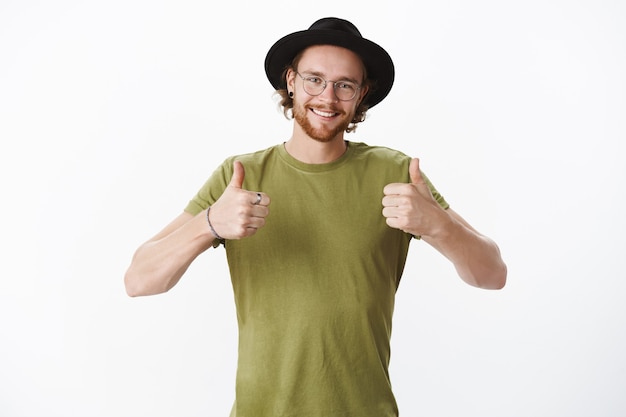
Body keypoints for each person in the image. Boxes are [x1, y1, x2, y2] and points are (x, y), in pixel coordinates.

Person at [124, 17, 507, 417]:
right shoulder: (240, 176)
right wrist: (209, 225)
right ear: (291, 81)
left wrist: (437, 225)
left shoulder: (396, 174)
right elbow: (139, 280)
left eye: (345, 85)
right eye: (315, 79)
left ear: (362, 95)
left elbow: (492, 274)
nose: (328, 97)